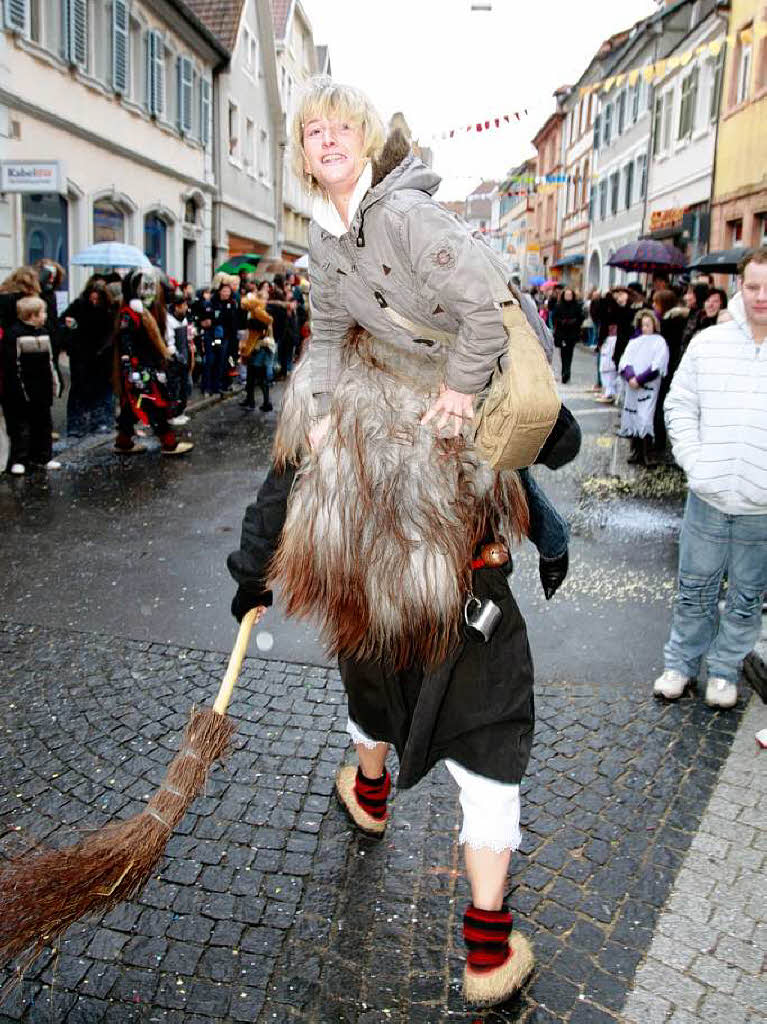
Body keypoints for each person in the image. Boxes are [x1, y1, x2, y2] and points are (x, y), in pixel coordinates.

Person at [227, 78, 575, 1008]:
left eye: (343, 127)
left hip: (440, 487)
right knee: (469, 713)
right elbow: (329, 346)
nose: (327, 139)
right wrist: (323, 406)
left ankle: (378, 803)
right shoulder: (326, 245)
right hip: (413, 536)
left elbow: (482, 307)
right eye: (313, 130)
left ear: (368, 141)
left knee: (398, 676)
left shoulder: (409, 218)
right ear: (300, 153)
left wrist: (459, 399)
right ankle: (480, 941)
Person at [654, 248, 767, 709]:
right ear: (741, 285)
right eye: (755, 286)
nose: (761, 297)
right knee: (694, 589)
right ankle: (680, 664)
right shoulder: (709, 343)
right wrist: (695, 462)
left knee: (747, 596)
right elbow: (679, 406)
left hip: (760, 505)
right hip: (708, 495)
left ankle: (723, 671)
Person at [113, 269, 193, 457]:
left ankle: (123, 441)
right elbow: (126, 342)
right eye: (145, 287)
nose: (149, 292)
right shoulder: (130, 314)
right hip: (139, 368)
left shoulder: (150, 312)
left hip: (148, 365)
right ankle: (168, 443)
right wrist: (131, 366)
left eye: (151, 287)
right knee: (154, 404)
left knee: (133, 406)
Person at [3, 295, 62, 474]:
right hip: (23, 388)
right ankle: (20, 459)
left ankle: (44, 456)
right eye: (42, 312)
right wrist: (18, 389)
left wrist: (55, 382)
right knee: (21, 426)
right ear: (32, 315)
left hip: (42, 387)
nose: (45, 315)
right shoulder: (14, 334)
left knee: (44, 424)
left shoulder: (44, 332)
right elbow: (12, 364)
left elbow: (50, 360)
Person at [58, 280, 116, 436]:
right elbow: (63, 321)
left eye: (97, 299)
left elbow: (112, 332)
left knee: (102, 389)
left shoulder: (109, 310)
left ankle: (101, 422)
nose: (94, 302)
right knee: (79, 389)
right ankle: (77, 424)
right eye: (92, 298)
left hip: (101, 356)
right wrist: (72, 327)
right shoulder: (79, 305)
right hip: (82, 355)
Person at [617, 311, 669, 466]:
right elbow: (625, 361)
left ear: (654, 325)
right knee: (633, 415)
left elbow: (658, 364)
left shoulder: (659, 342)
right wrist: (631, 377)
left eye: (648, 324)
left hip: (648, 385)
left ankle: (648, 452)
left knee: (645, 417)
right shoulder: (634, 342)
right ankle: (636, 451)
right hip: (632, 385)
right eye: (643, 325)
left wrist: (640, 379)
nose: (645, 328)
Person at [238, 292, 275, 411]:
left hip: (260, 347)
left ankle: (265, 402)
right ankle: (251, 400)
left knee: (259, 374)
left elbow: (269, 321)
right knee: (251, 375)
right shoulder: (252, 312)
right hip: (253, 346)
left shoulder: (258, 311)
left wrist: (261, 328)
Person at [165, 291, 193, 426]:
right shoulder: (168, 320)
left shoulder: (184, 318)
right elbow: (169, 341)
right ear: (177, 306)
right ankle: (172, 414)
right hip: (175, 359)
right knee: (174, 387)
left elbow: (186, 336)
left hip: (184, 355)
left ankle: (181, 412)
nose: (186, 307)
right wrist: (176, 356)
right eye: (184, 305)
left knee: (184, 386)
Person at [552, 287, 583, 384]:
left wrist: (574, 322)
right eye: (566, 295)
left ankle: (567, 372)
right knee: (563, 353)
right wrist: (562, 322)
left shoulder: (577, 306)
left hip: (572, 333)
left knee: (570, 353)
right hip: (562, 333)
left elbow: (581, 317)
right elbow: (554, 318)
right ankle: (564, 372)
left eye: (570, 295)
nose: (568, 296)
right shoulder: (559, 306)